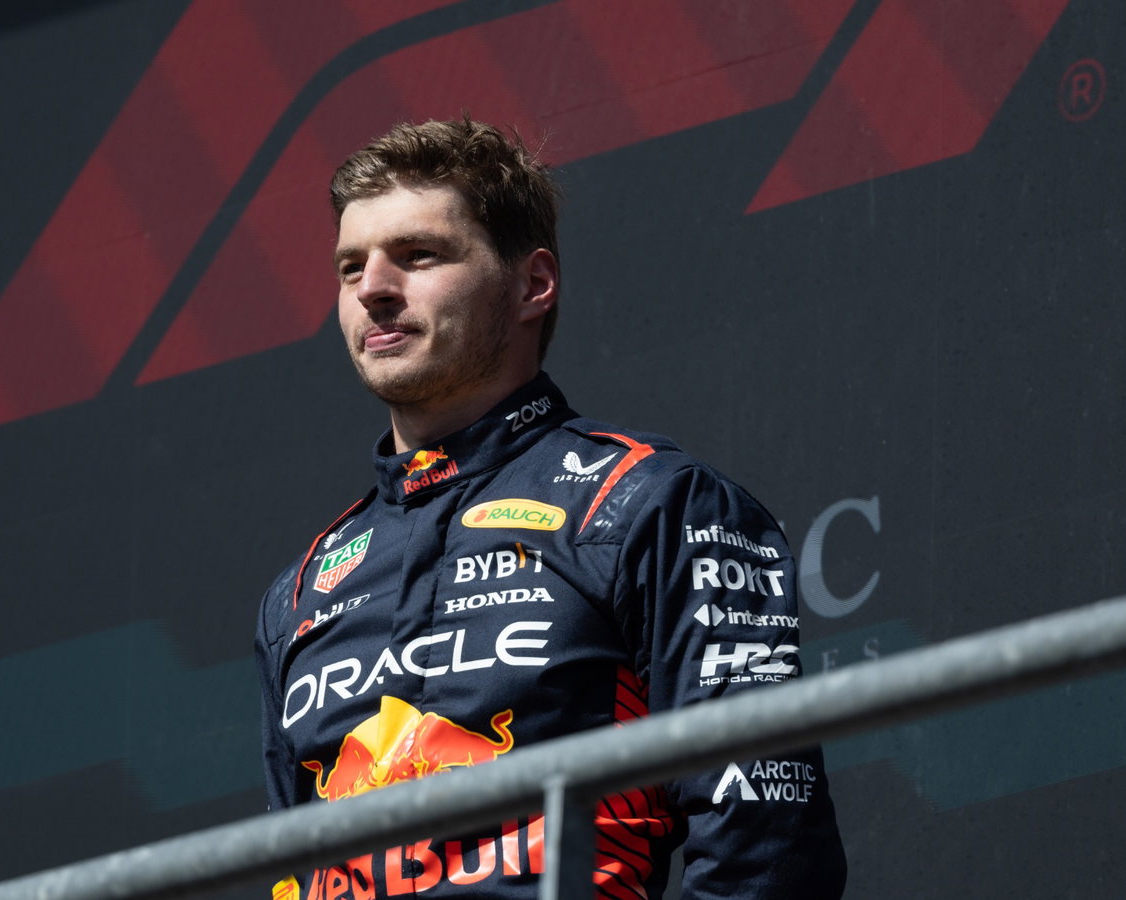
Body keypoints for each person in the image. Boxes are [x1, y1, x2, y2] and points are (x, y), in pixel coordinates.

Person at [254, 117, 845, 900]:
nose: (373, 289)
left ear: (533, 284)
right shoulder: (301, 593)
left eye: (419, 254)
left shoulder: (642, 502)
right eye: (350, 266)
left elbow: (765, 841)